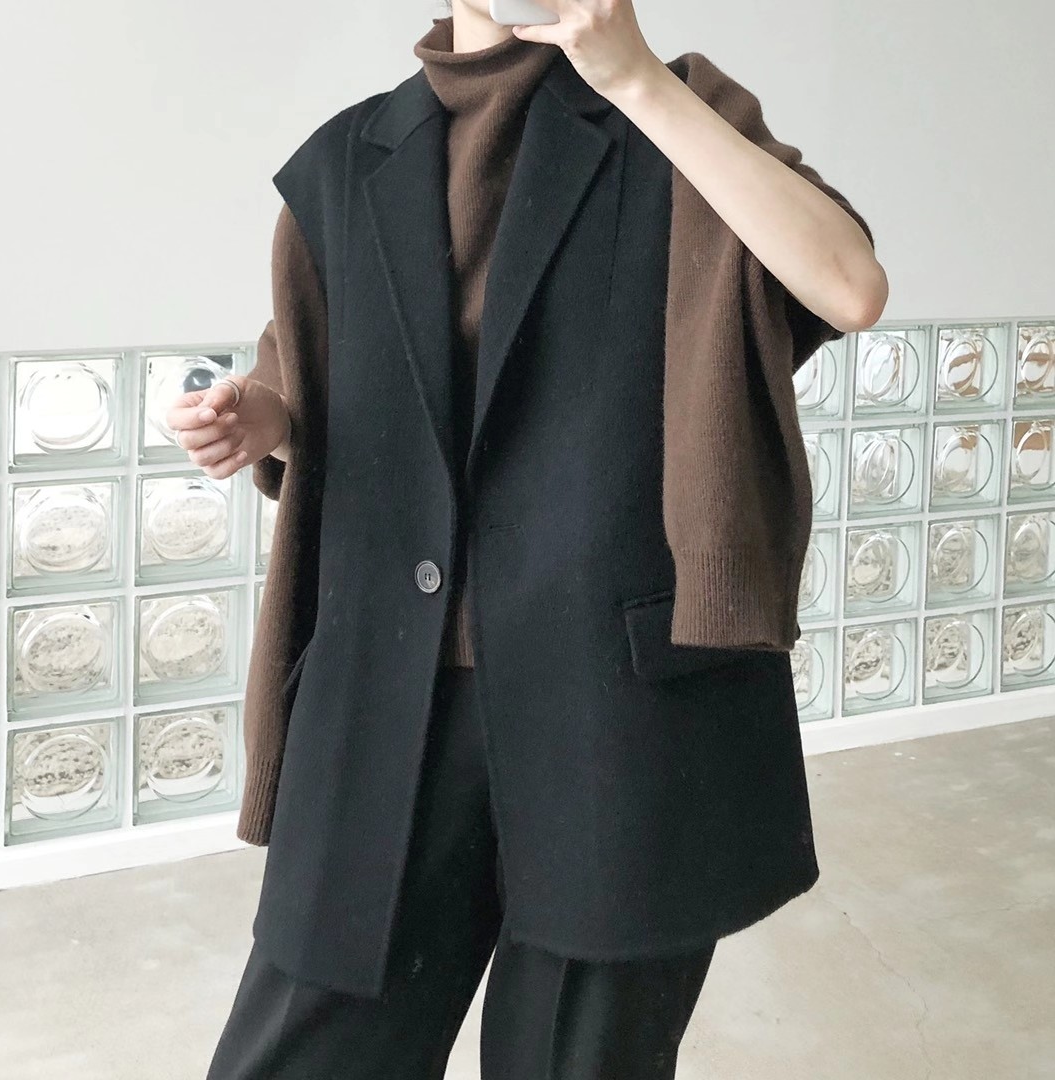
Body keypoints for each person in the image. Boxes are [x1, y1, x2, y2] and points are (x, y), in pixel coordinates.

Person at [167, 2, 887, 1076]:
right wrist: (261, 417)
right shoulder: (350, 157)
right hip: (390, 702)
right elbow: (312, 366)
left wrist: (635, 80)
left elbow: (850, 286)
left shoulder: (677, 112)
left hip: (617, 712)